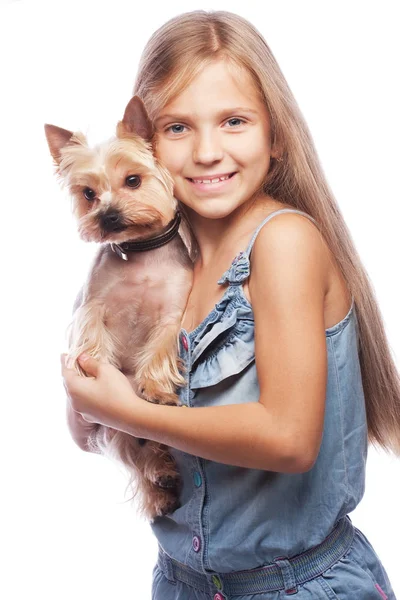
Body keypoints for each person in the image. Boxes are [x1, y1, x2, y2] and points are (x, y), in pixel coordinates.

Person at [61, 10, 400, 600]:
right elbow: (89, 426)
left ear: (276, 135)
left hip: (297, 586)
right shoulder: (148, 266)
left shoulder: (283, 242)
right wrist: (92, 401)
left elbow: (290, 440)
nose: (208, 152)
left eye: (234, 121)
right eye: (177, 128)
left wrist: (127, 412)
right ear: (141, 141)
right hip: (185, 583)